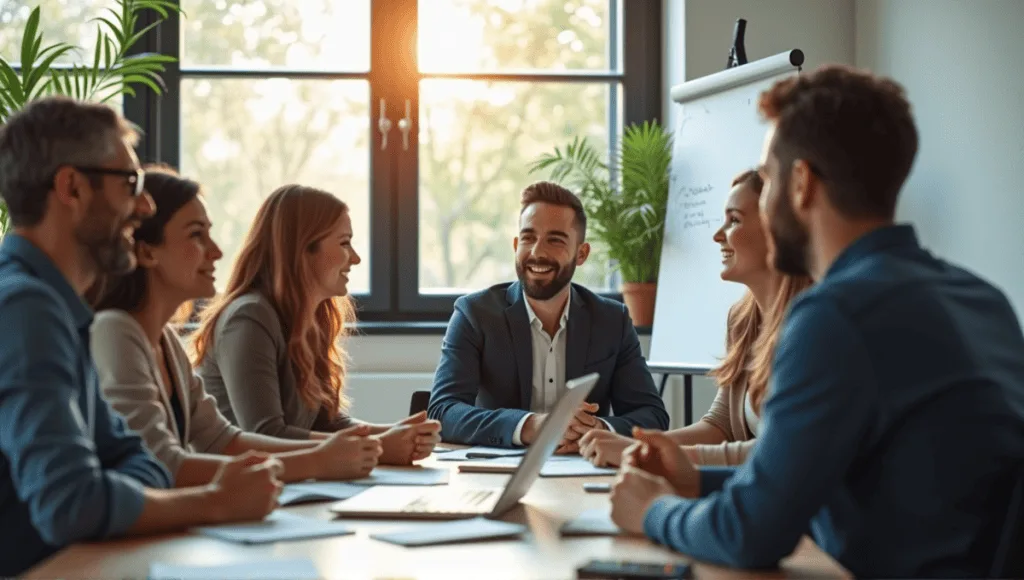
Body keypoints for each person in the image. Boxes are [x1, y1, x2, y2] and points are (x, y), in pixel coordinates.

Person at [608, 64, 1024, 578]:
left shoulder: (834, 317)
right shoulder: (985, 300)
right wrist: (693, 480)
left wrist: (652, 512)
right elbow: (809, 488)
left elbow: (753, 534)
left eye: (769, 179)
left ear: (801, 183)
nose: (763, 200)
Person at [0, 97, 281, 577]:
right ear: (71, 187)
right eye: (130, 183)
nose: (145, 204)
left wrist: (117, 487)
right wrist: (213, 502)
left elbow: (139, 459)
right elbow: (73, 504)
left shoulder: (62, 309)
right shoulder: (26, 308)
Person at [89, 167, 383, 487]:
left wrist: (338, 453)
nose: (216, 251)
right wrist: (320, 459)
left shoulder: (166, 341)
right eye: (196, 235)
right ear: (147, 251)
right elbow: (163, 464)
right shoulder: (115, 332)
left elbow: (224, 440)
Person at [192, 185, 441, 465]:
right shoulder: (248, 318)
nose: (356, 258)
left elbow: (326, 421)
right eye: (344, 243)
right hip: (243, 488)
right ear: (303, 249)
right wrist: (379, 445)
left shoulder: (310, 319)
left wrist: (398, 433)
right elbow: (264, 433)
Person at [580, 170, 812, 467]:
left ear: (776, 231)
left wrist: (647, 455)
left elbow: (786, 452)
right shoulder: (742, 320)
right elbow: (721, 425)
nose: (718, 235)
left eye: (734, 220)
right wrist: (635, 445)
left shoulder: (812, 323)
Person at [427, 181, 669, 449]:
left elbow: (653, 416)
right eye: (528, 238)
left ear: (582, 253)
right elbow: (443, 411)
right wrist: (532, 426)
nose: (537, 252)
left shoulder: (612, 320)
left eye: (555, 240)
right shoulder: (475, 314)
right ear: (516, 244)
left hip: (583, 471)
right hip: (499, 472)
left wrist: (597, 428)